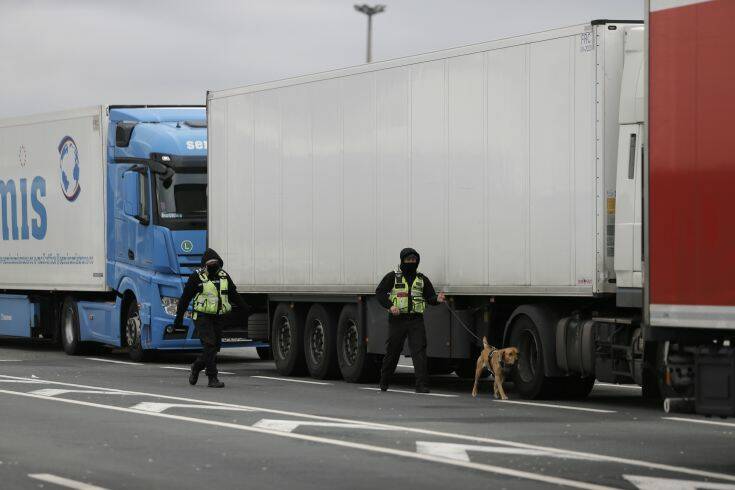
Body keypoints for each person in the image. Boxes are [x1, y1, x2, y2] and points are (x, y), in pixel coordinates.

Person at [174, 248, 250, 388]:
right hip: (202, 316)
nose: (213, 265)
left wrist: (246, 309)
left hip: (218, 316)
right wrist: (178, 318)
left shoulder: (223, 276)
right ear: (204, 265)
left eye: (215, 262)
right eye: (210, 263)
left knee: (214, 347)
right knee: (209, 344)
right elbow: (185, 298)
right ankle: (212, 377)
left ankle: (196, 367)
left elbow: (233, 294)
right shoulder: (196, 277)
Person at [375, 248, 445, 393]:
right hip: (397, 320)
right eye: (408, 260)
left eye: (414, 260)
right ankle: (384, 381)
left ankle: (421, 385)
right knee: (393, 351)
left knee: (419, 351)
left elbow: (430, 297)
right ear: (402, 261)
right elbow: (380, 292)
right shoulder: (393, 276)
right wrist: (390, 306)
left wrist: (437, 300)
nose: (411, 262)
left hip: (416, 320)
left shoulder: (421, 278)